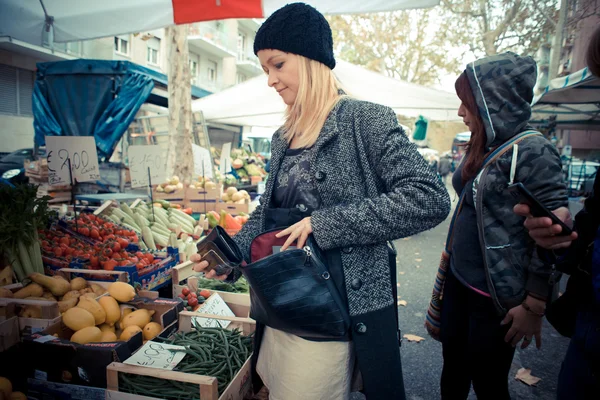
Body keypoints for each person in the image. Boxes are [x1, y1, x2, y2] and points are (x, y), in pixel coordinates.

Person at [191, 3, 451, 399]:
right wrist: (230, 255)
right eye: (264, 70)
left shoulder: (367, 120)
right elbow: (267, 212)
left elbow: (429, 197)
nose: (270, 80)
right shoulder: (284, 136)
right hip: (280, 302)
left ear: (311, 59)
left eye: (277, 65)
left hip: (335, 310)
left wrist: (324, 223)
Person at [439, 52, 568, 399]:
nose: (460, 111)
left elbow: (553, 237)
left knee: (488, 382)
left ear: (495, 103)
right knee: (452, 370)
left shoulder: (535, 151)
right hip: (459, 281)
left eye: (468, 102)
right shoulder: (485, 145)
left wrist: (534, 304)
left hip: (494, 298)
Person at [514, 24, 600, 399]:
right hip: (588, 328)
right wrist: (564, 239)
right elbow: (587, 226)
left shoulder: (534, 149)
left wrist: (533, 301)